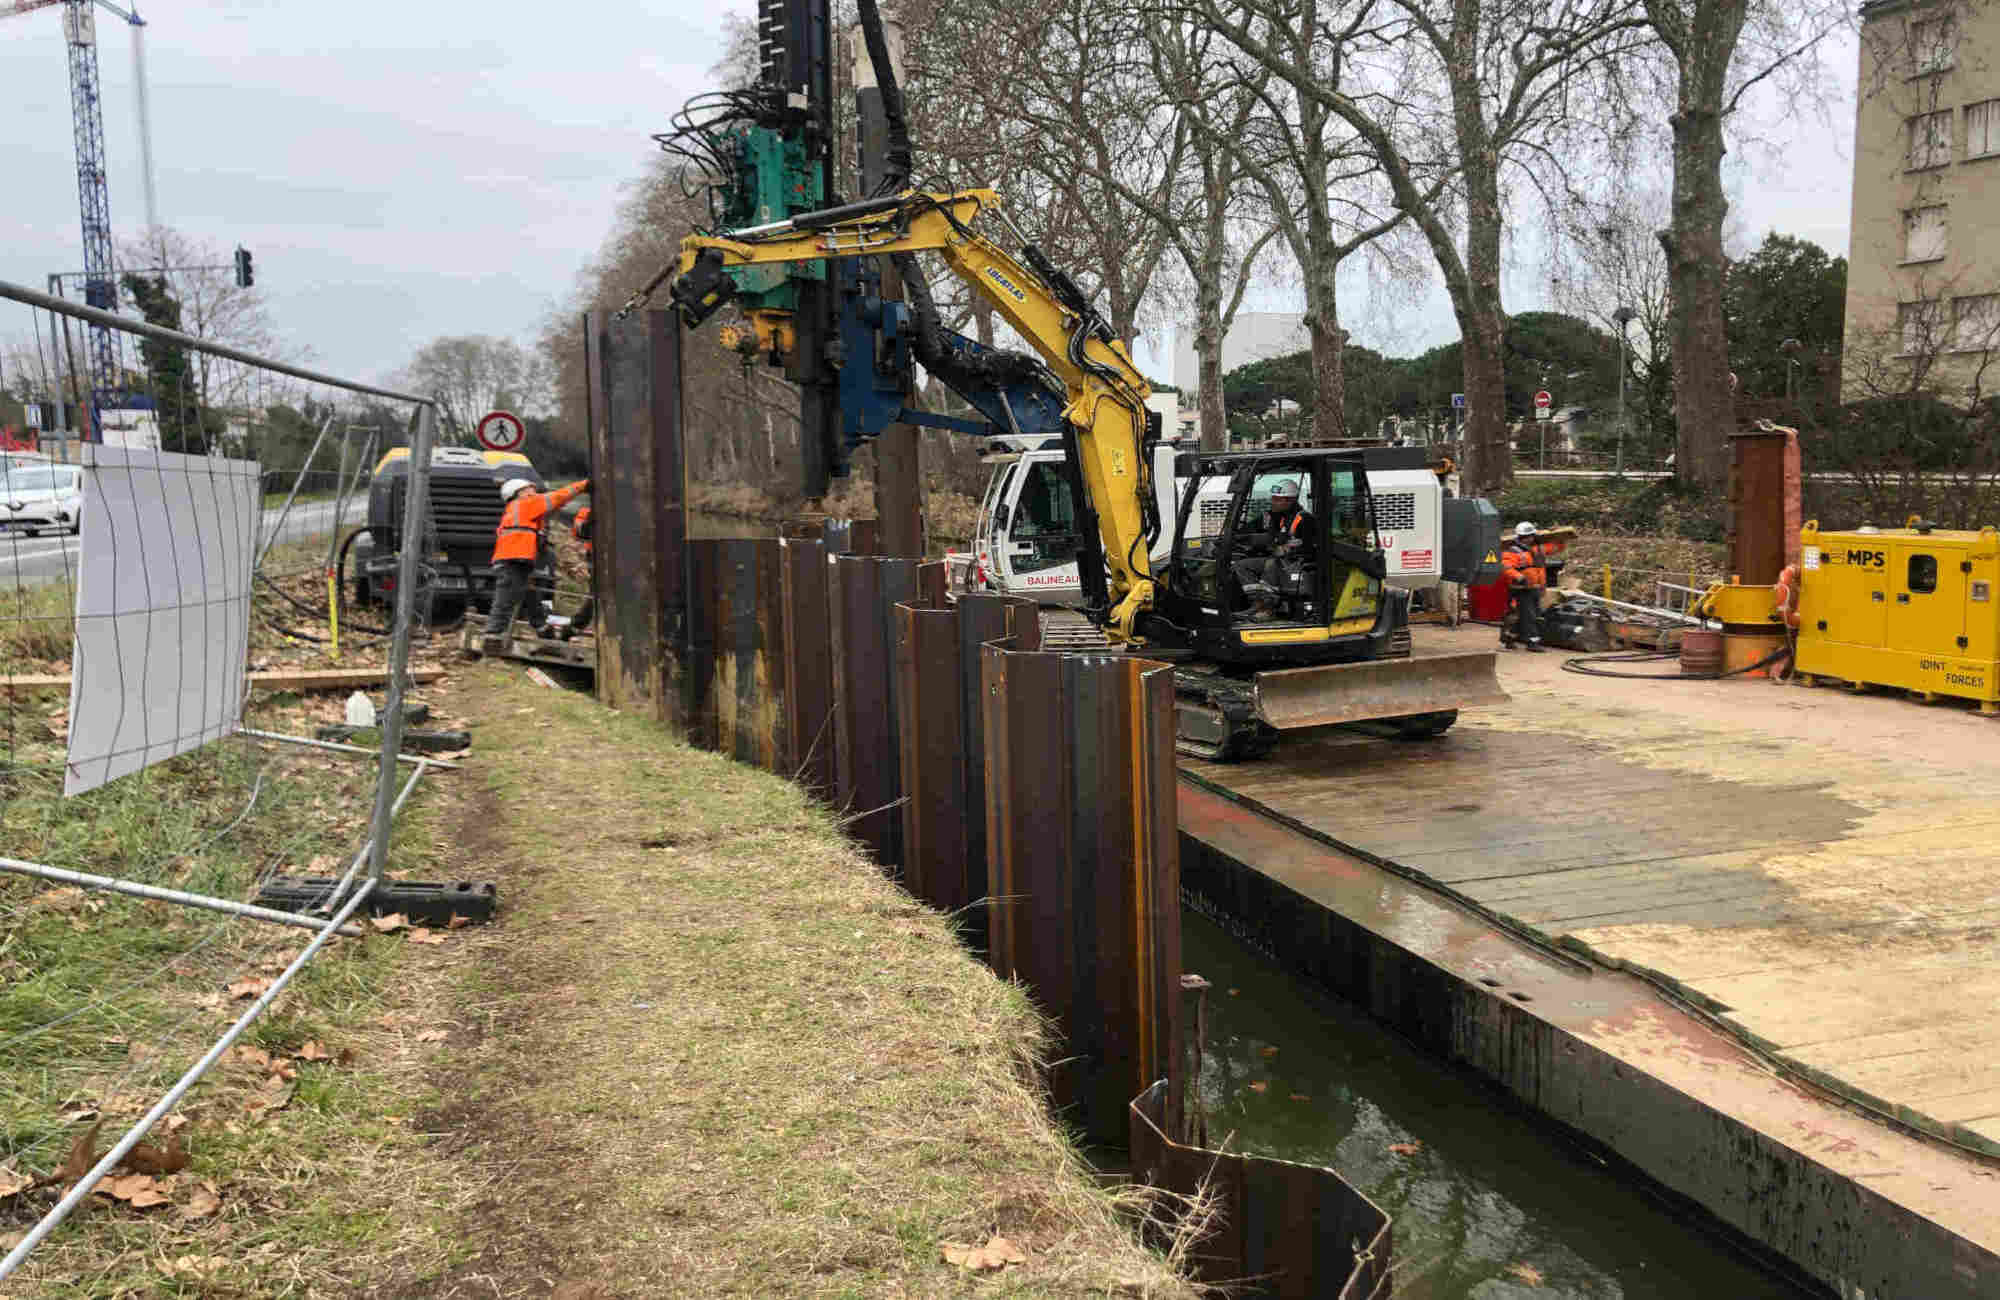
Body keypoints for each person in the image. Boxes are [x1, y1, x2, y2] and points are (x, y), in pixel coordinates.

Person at [480, 476, 590, 655]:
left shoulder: (518, 509)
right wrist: (583, 485)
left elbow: (551, 508)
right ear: (518, 493)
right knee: (505, 598)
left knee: (529, 593)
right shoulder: (525, 504)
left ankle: (542, 628)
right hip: (513, 559)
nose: (534, 492)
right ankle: (492, 637)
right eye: (529, 489)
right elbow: (556, 497)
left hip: (516, 559)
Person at [1230, 480, 1316, 621]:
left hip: (1295, 564)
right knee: (1241, 565)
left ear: (1290, 500)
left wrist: (1286, 550)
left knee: (1271, 564)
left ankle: (1268, 609)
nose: (1273, 502)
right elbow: (1254, 529)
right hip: (1278, 560)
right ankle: (1257, 604)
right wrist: (1235, 538)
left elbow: (1309, 547)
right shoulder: (1278, 517)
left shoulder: (1305, 520)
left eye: (1277, 499)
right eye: (1273, 498)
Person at [1500, 520, 1564, 652]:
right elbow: (1506, 568)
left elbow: (1558, 547)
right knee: (1529, 616)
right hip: (1521, 589)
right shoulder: (1512, 551)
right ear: (1521, 537)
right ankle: (1532, 643)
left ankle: (1509, 638)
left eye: (1532, 536)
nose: (1530, 538)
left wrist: (1558, 534)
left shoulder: (1539, 548)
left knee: (1528, 615)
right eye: (1527, 536)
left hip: (1536, 587)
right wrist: (1519, 577)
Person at [560, 505, 595, 641]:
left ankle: (575, 627)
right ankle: (574, 627)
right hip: (596, 554)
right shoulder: (586, 511)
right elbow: (580, 531)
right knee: (599, 594)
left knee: (598, 594)